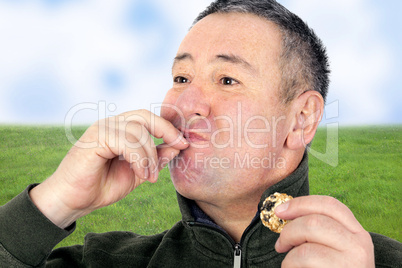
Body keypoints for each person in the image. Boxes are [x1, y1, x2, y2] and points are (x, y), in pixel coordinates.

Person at [0, 0, 401, 267]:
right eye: (181, 76)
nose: (187, 102)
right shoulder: (102, 261)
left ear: (301, 119)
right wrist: (54, 202)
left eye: (227, 79)